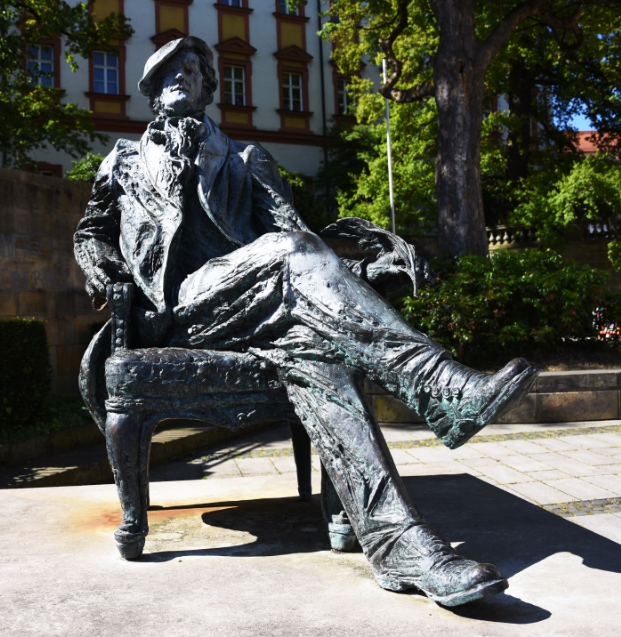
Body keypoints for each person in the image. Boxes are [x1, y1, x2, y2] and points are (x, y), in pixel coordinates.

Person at [74, 36, 537, 607]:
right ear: (150, 88)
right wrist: (105, 275)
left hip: (262, 307)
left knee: (322, 362)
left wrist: (367, 264)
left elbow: (304, 240)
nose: (179, 76)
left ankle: (401, 545)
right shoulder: (121, 160)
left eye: (191, 69)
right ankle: (438, 383)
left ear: (206, 86)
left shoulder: (245, 159)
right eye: (168, 70)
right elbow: (90, 232)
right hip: (179, 312)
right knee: (286, 253)